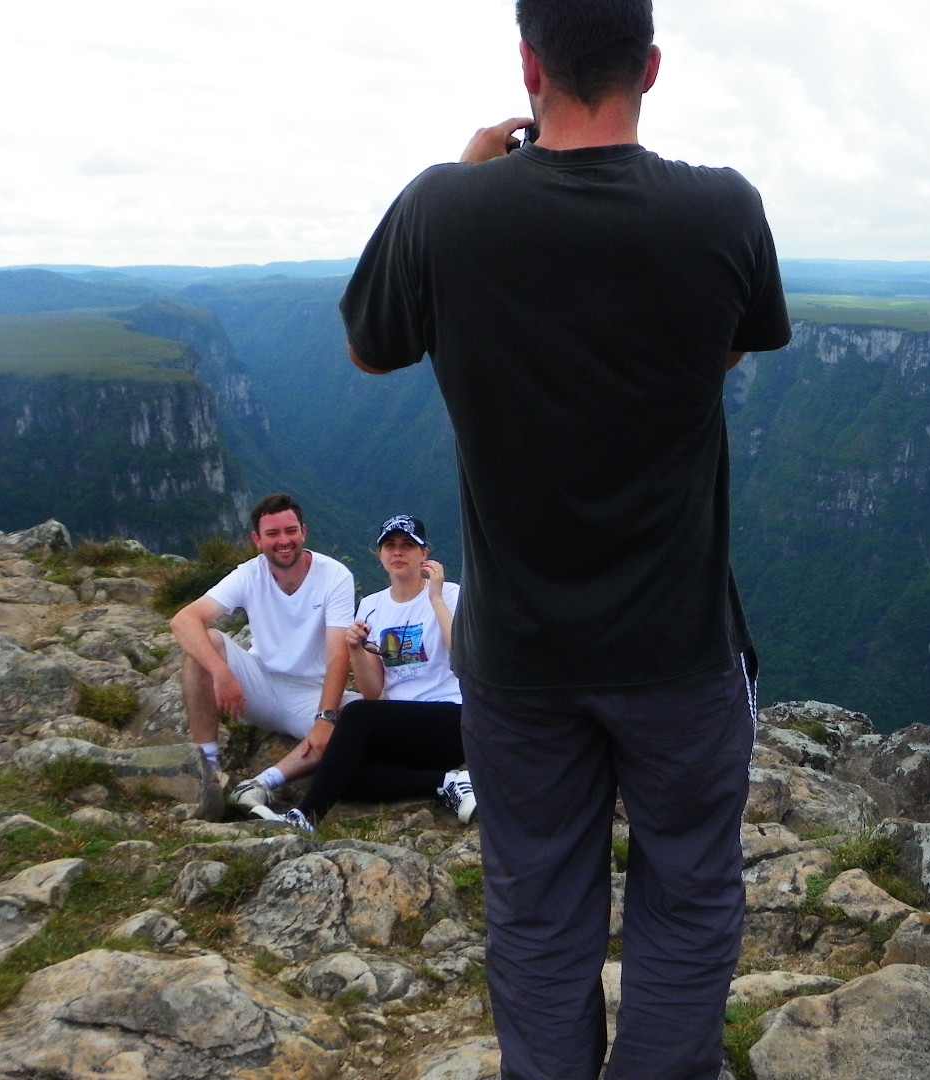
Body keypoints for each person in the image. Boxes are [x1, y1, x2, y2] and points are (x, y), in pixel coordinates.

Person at [338, 1, 790, 1075]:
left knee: (539, 911)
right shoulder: (723, 210)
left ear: (529, 65)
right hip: (679, 649)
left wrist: (466, 172)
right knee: (687, 893)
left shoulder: (447, 209)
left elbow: (368, 348)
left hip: (519, 659)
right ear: (654, 65)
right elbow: (725, 350)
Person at [252, 515, 476, 833]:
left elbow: (464, 655)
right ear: (380, 555)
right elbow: (373, 691)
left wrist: (435, 598)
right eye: (390, 545)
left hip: (454, 718)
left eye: (408, 545)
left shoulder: (451, 595)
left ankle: (304, 818)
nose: (398, 552)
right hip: (402, 726)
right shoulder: (371, 606)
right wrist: (355, 648)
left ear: (424, 554)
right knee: (343, 772)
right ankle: (444, 782)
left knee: (354, 714)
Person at [168, 493, 357, 820]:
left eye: (290, 531)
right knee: (208, 643)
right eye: (272, 534)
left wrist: (325, 719)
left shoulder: (334, 576)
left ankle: (262, 781)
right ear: (257, 540)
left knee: (361, 719)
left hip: (310, 695)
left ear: (304, 532)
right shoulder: (248, 574)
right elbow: (183, 620)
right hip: (257, 685)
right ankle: (208, 767)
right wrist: (222, 674)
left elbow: (338, 654)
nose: (283, 541)